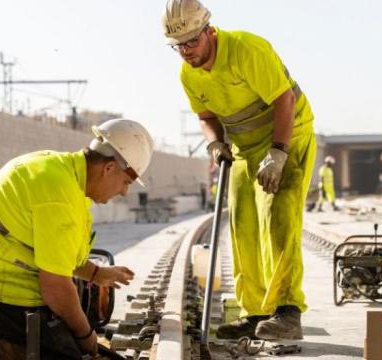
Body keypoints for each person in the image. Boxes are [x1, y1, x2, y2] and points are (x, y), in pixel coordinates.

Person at [162, 0, 316, 340]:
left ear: (209, 31)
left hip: (287, 136)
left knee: (278, 218)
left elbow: (284, 100)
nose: (186, 51)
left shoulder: (246, 49)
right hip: (245, 148)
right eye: (178, 45)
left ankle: (288, 312)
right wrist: (215, 143)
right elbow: (206, 118)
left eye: (191, 41)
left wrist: (278, 153)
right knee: (242, 224)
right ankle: (255, 312)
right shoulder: (188, 74)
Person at [0, 119, 154, 359]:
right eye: (126, 182)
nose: (125, 191)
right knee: (73, 350)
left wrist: (97, 274)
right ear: (108, 168)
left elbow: (54, 256)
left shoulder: (62, 172)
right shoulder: (61, 195)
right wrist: (86, 337)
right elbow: (55, 288)